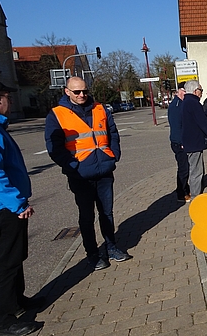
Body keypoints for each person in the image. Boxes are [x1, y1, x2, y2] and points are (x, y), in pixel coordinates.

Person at [45, 77, 132, 271]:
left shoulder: (100, 108)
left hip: (104, 171)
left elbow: (112, 133)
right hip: (80, 175)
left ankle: (112, 248)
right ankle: (92, 254)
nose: (82, 95)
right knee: (86, 216)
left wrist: (113, 155)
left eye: (84, 91)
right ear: (67, 92)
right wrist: (72, 167)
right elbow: (54, 147)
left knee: (107, 213)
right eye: (77, 92)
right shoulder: (57, 114)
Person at [0, 78, 43, 336]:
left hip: (6, 206)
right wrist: (17, 203)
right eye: (6, 97)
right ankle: (2, 320)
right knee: (3, 263)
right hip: (2, 208)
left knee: (14, 258)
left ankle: (16, 300)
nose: (10, 102)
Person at [168, 83, 191, 202]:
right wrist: (182, 141)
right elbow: (177, 126)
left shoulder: (181, 103)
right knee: (184, 168)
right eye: (184, 91)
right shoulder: (177, 105)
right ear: (179, 91)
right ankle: (181, 193)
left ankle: (185, 189)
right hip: (179, 142)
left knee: (185, 167)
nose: (186, 93)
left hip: (180, 141)